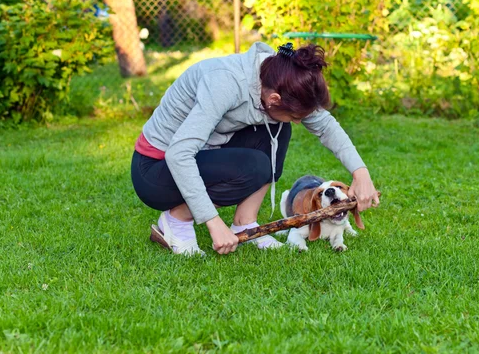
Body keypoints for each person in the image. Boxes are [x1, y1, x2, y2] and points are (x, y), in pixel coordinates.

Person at [130, 42, 380, 256]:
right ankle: (177, 220)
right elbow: (179, 154)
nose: (298, 120)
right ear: (274, 100)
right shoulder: (225, 83)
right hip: (156, 169)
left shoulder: (280, 79)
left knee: (279, 127)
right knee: (254, 164)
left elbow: (324, 125)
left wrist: (361, 173)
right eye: (296, 115)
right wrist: (213, 222)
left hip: (201, 154)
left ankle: (244, 223)